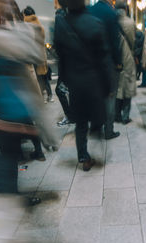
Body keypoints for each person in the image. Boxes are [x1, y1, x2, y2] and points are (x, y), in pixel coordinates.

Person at [54, 0, 113, 171]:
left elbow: (61, 57)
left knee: (80, 122)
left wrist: (65, 78)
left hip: (74, 81)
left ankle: (83, 156)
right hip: (93, 80)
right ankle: (98, 139)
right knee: (98, 116)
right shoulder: (95, 23)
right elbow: (104, 59)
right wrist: (108, 85)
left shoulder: (61, 25)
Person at [89, 0, 122, 140]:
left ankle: (95, 126)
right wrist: (118, 62)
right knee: (110, 96)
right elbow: (115, 41)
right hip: (107, 62)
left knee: (96, 95)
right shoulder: (111, 13)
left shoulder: (89, 10)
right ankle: (109, 130)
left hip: (91, 62)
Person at [22, 6, 54, 104]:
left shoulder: (26, 25)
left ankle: (42, 97)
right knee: (44, 76)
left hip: (32, 54)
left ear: (25, 15)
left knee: (38, 78)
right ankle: (50, 95)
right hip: (41, 54)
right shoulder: (39, 24)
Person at [115, 1, 136, 125]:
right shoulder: (130, 22)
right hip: (127, 57)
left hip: (115, 58)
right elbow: (132, 42)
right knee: (128, 86)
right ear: (125, 9)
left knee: (117, 87)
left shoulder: (111, 22)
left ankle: (116, 115)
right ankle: (125, 116)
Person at [54, 0, 73, 126]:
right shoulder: (71, 18)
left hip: (66, 64)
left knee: (60, 90)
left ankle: (70, 116)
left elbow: (59, 44)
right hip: (71, 63)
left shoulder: (60, 19)